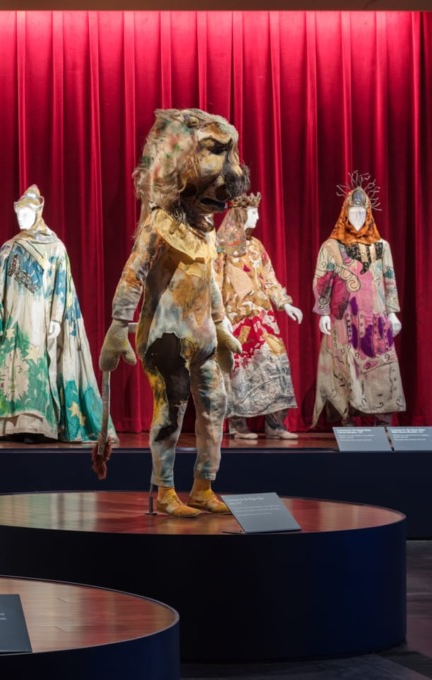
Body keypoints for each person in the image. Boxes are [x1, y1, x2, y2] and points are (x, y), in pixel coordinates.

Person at [99, 108, 247, 518]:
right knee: (171, 409)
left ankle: (203, 485)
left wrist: (221, 326)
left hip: (202, 336)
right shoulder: (159, 224)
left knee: (214, 406)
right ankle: (165, 490)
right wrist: (119, 326)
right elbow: (134, 273)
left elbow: (209, 281)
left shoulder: (205, 230)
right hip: (166, 338)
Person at [0, 185, 106, 442]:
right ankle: (8, 426)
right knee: (10, 371)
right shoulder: (9, 248)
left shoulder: (55, 248)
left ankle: (37, 426)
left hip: (38, 322)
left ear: (38, 213)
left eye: (26, 213)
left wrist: (55, 319)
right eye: (18, 214)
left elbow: (62, 287)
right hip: (12, 324)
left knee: (36, 370)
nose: (21, 219)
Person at [312, 172, 405, 426]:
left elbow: (389, 279)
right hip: (344, 318)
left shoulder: (381, 246)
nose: (357, 217)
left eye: (362, 212)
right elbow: (322, 281)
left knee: (381, 366)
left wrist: (392, 313)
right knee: (345, 366)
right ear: (345, 214)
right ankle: (347, 421)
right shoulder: (332, 246)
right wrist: (323, 313)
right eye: (352, 212)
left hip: (376, 317)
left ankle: (383, 419)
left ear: (368, 213)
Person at [215, 193, 303, 440]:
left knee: (275, 362)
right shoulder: (221, 246)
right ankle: (238, 424)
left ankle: (275, 424)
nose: (258, 217)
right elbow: (215, 282)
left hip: (263, 317)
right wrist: (220, 316)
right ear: (240, 215)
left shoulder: (256, 246)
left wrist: (285, 303)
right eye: (253, 212)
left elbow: (269, 278)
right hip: (236, 318)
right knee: (238, 369)